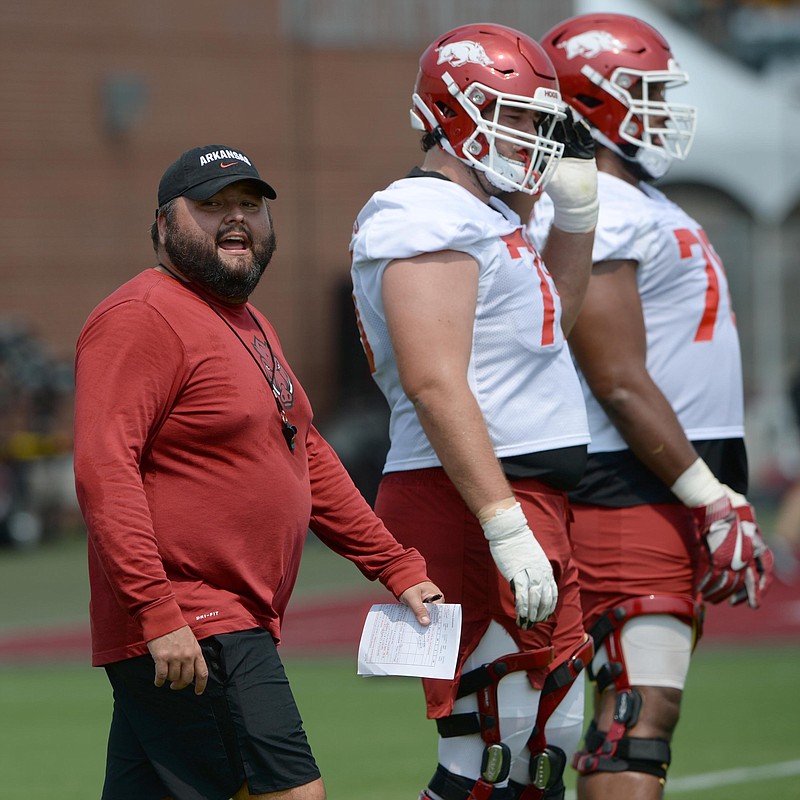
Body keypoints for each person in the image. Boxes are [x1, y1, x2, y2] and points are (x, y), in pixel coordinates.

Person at [73, 143, 443, 800]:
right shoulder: (140, 317)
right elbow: (106, 470)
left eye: (249, 204)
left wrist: (396, 566)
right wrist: (159, 612)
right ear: (163, 224)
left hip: (219, 620)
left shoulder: (246, 322)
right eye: (212, 206)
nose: (236, 218)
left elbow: (307, 457)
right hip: (197, 618)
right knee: (293, 794)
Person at [527, 14, 775, 799]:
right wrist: (711, 494)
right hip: (630, 483)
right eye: (644, 94)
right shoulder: (597, 200)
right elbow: (618, 376)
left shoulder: (640, 197)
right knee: (637, 706)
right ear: (591, 101)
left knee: (639, 709)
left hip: (660, 483)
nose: (661, 112)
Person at [350, 23, 599, 800]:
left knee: (548, 738)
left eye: (535, 119)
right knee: (489, 749)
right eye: (516, 115)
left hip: (524, 492)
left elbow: (550, 325)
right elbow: (433, 382)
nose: (530, 135)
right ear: (453, 111)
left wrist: (579, 224)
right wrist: (501, 521)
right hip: (470, 497)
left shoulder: (490, 215)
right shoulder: (422, 213)